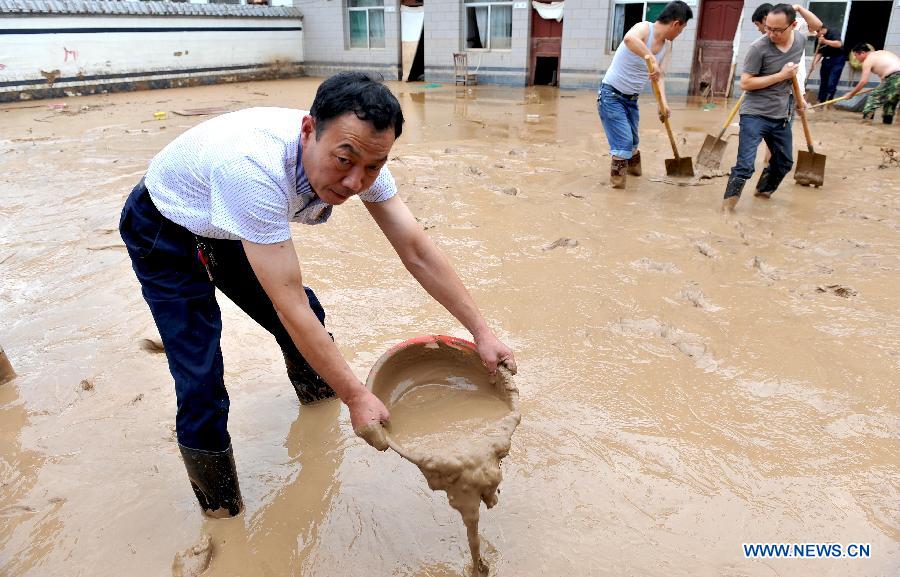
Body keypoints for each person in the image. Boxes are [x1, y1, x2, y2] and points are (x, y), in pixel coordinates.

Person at [118, 72, 517, 518]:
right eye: (343, 161)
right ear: (308, 130)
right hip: (164, 226)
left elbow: (417, 250)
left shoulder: (361, 157)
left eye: (373, 166)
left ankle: (317, 409)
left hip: (228, 225)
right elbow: (288, 304)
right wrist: (357, 396)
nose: (354, 182)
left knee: (313, 315)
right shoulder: (253, 172)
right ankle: (221, 513)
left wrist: (481, 331)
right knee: (201, 375)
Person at [723, 4, 821, 211]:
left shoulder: (801, 40)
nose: (771, 34)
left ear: (793, 25)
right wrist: (780, 76)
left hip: (782, 114)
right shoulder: (758, 48)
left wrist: (799, 99)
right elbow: (746, 83)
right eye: (768, 28)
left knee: (784, 162)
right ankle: (726, 209)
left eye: (777, 30)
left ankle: (763, 191)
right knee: (745, 166)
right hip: (755, 114)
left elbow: (817, 26)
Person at [597, 0, 693, 189]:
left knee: (633, 142)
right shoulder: (643, 28)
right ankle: (617, 191)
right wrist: (650, 58)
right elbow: (629, 40)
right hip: (611, 95)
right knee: (623, 143)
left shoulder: (667, 46)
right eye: (681, 30)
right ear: (676, 24)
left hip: (631, 100)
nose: (679, 34)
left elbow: (660, 77)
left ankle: (634, 176)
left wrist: (662, 104)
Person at [844, 45, 900, 124]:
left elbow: (863, 81)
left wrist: (851, 94)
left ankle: (866, 122)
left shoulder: (868, 60)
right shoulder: (881, 53)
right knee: (890, 102)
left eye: (856, 56)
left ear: (862, 53)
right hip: (894, 78)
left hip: (894, 78)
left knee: (873, 98)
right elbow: (887, 73)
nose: (856, 59)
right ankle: (887, 123)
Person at [812, 26, 845, 103]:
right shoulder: (818, 38)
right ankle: (821, 101)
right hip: (826, 59)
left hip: (837, 59)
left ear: (821, 30)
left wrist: (825, 41)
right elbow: (819, 53)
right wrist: (813, 63)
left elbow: (838, 44)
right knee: (824, 81)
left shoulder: (833, 32)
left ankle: (829, 101)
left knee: (832, 81)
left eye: (816, 32)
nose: (816, 35)